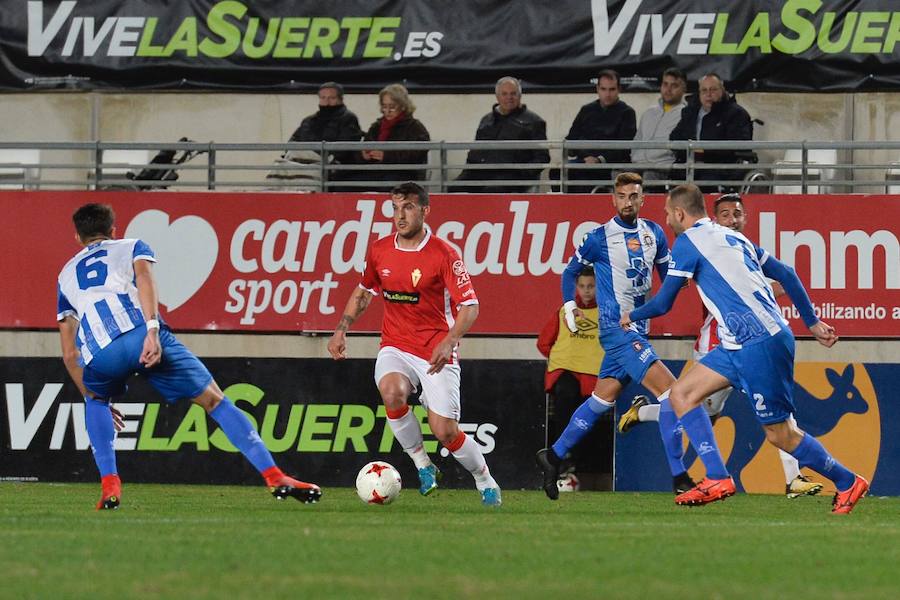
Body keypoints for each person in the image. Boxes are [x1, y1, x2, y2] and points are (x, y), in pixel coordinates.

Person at [620, 184, 869, 514]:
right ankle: (717, 477)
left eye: (667, 213)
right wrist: (812, 322)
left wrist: (631, 315)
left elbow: (664, 302)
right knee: (681, 395)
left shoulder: (688, 242)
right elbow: (787, 273)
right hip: (736, 343)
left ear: (679, 213)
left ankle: (848, 481)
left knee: (780, 435)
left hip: (760, 342)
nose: (666, 220)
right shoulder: (734, 237)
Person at [57, 203, 321, 510]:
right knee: (216, 401)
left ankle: (109, 485)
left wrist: (91, 395)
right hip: (141, 332)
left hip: (101, 352)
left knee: (97, 403)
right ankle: (274, 475)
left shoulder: (65, 275)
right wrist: (153, 330)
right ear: (115, 230)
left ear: (77, 237)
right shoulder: (131, 246)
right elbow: (145, 279)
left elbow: (69, 353)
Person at [326, 182, 501, 506]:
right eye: (395, 208)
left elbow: (470, 306)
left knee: (445, 431)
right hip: (395, 344)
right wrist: (341, 328)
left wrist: (449, 341)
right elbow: (365, 291)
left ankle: (484, 479)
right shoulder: (380, 250)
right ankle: (423, 466)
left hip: (435, 349)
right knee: (391, 391)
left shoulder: (444, 254)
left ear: (424, 210)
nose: (400, 215)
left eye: (407, 207)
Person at [535, 172, 691, 500]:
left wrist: (687, 277)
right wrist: (569, 307)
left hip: (639, 328)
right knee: (674, 394)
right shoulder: (599, 237)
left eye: (634, 196)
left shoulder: (655, 233)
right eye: (622, 196)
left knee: (601, 399)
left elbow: (667, 274)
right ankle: (680, 478)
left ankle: (552, 456)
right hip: (616, 329)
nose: (628, 202)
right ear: (613, 199)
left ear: (642, 198)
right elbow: (570, 271)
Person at [536, 267, 605, 481]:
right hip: (566, 373)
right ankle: (562, 460)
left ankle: (582, 467)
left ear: (598, 286)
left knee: (591, 418)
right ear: (576, 287)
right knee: (566, 404)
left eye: (591, 286)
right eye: (582, 286)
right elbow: (543, 343)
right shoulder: (563, 312)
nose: (586, 291)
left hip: (594, 378)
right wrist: (565, 359)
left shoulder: (607, 312)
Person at [452, 76, 550, 192]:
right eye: (504, 94)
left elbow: (542, 157)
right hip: (480, 172)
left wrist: (522, 172)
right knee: (453, 188)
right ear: (497, 97)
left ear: (520, 96)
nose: (509, 97)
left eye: (513, 93)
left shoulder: (534, 122)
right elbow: (476, 151)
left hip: (512, 176)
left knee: (491, 191)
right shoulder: (486, 120)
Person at [669, 73, 753, 192]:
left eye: (713, 89)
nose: (708, 94)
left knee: (705, 180)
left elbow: (740, 146)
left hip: (719, 167)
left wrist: (703, 150)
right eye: (704, 90)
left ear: (722, 90)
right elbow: (674, 138)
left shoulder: (736, 114)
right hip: (689, 165)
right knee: (672, 179)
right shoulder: (690, 112)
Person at [272, 82, 363, 191]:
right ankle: (269, 197)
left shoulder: (348, 118)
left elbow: (346, 146)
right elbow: (293, 141)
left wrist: (319, 153)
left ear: (340, 99)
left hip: (327, 161)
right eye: (323, 98)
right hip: (301, 159)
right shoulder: (309, 120)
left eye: (331, 98)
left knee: (309, 166)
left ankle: (308, 199)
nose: (327, 101)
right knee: (280, 164)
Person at [564, 69, 637, 193]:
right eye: (603, 89)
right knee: (557, 172)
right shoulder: (586, 110)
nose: (607, 94)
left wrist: (599, 159)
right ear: (597, 89)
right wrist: (585, 156)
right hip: (583, 161)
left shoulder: (627, 113)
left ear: (619, 89)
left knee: (584, 177)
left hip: (609, 165)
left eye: (612, 89)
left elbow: (625, 147)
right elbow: (572, 138)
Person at [359, 84, 430, 189]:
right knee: (346, 182)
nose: (387, 111)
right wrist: (363, 155)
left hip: (404, 174)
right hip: (375, 172)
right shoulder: (377, 126)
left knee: (387, 184)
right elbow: (365, 146)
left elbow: (417, 154)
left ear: (403, 106)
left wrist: (387, 156)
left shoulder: (415, 127)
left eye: (392, 107)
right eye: (384, 106)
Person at [631, 68, 688, 190]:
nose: (668, 89)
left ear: (684, 89)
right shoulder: (649, 112)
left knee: (649, 177)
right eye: (665, 84)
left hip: (663, 167)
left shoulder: (686, 114)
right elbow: (637, 140)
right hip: (638, 165)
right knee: (618, 174)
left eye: (674, 85)